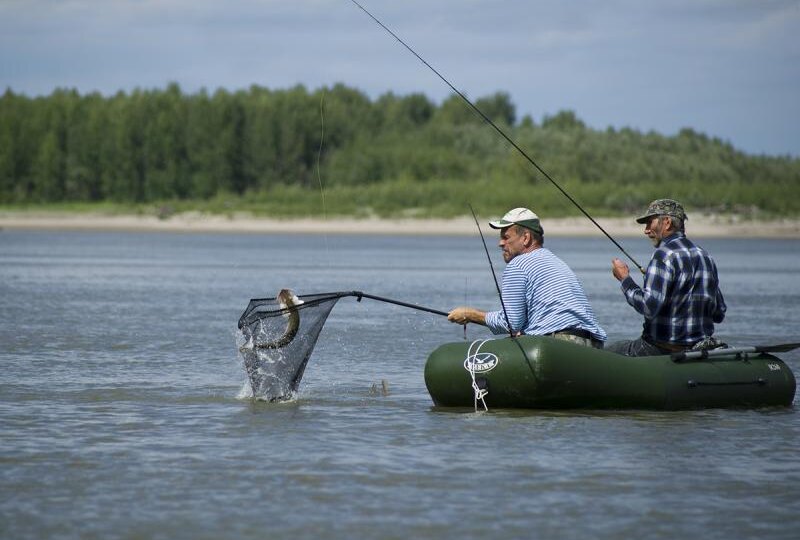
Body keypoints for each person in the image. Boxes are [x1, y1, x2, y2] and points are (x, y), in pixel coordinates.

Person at [448, 207, 606, 348]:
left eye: (506, 237)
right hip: (593, 345)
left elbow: (509, 323)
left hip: (560, 345)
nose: (500, 243)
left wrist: (470, 314)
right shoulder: (555, 261)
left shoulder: (518, 265)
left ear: (526, 238)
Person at [608, 198, 726, 356]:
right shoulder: (705, 257)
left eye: (650, 223)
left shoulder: (663, 256)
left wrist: (625, 280)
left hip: (661, 349)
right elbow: (719, 313)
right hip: (698, 350)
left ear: (667, 223)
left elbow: (648, 307)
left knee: (608, 351)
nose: (646, 230)